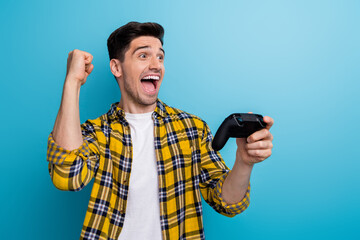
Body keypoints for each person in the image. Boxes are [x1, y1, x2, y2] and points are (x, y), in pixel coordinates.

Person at [47, 22, 274, 240]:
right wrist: (72, 82)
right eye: (143, 55)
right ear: (116, 67)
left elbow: (228, 203)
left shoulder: (192, 129)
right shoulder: (98, 132)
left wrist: (244, 162)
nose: (156, 64)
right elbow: (68, 177)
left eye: (160, 57)